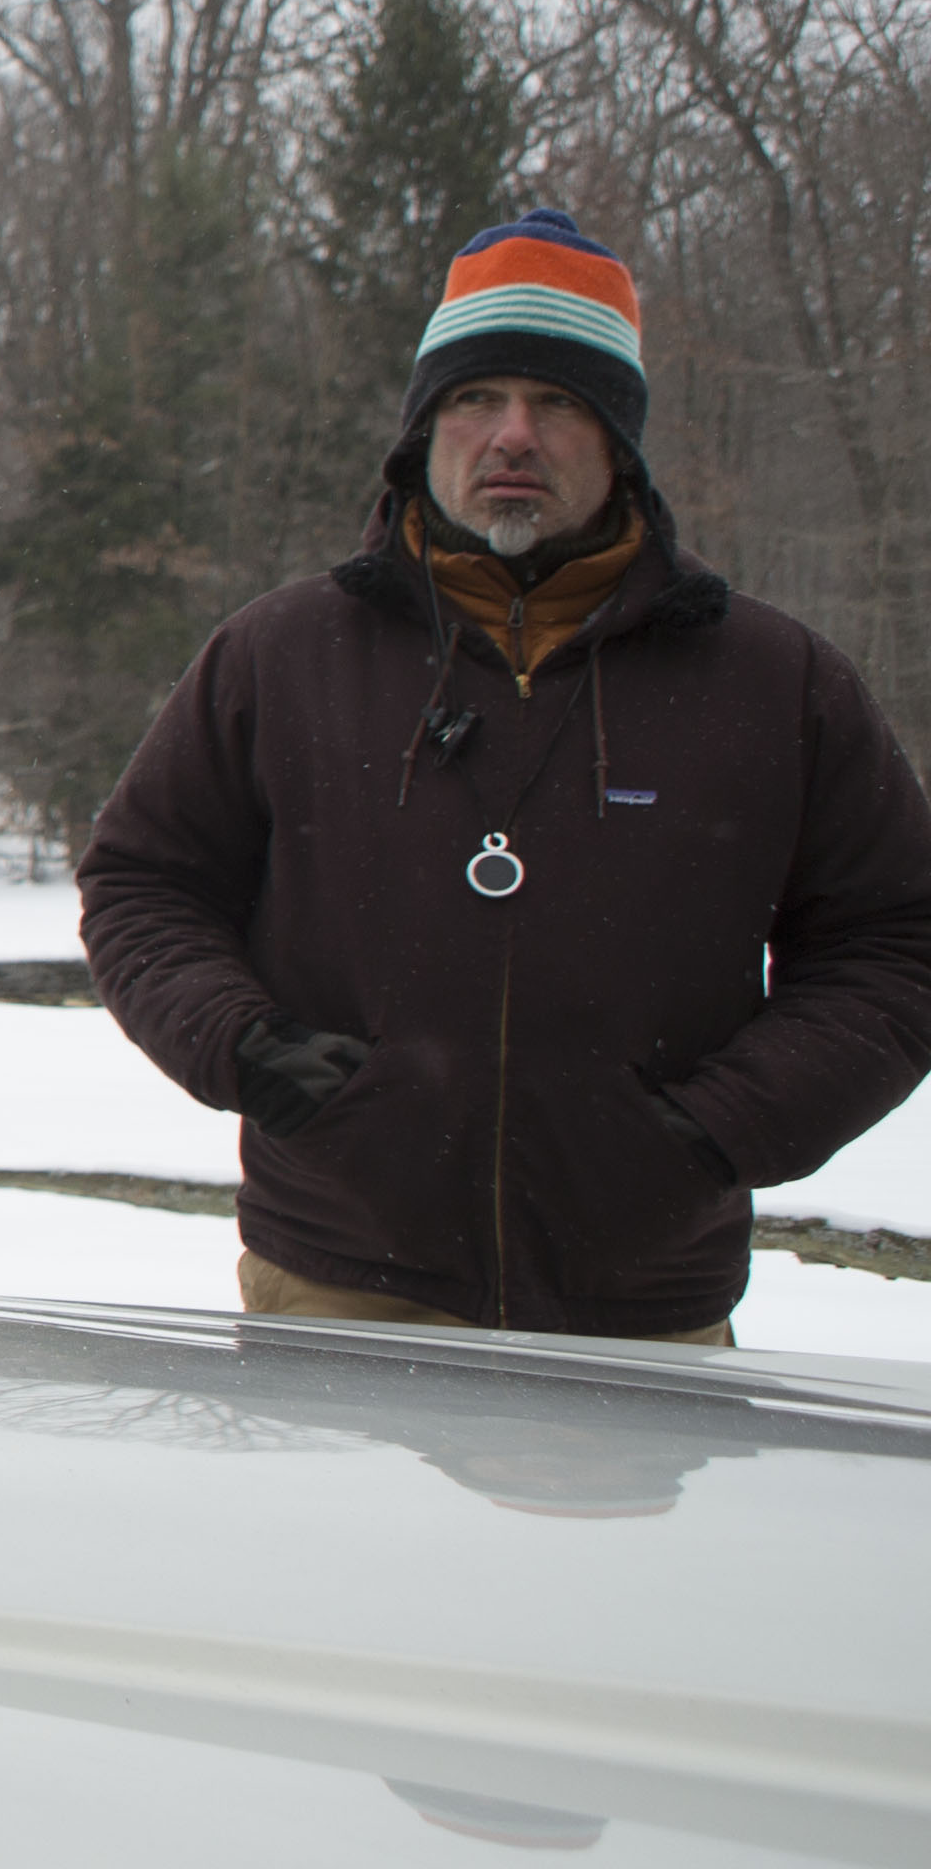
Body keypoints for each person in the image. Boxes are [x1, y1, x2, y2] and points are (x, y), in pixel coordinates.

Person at [82, 208, 931, 1341]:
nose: (513, 436)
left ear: (619, 440)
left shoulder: (772, 681)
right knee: (343, 1532)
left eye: (560, 403)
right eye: (477, 400)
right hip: (338, 1286)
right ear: (424, 431)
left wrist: (717, 1130)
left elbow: (897, 941)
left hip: (642, 1305)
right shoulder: (284, 656)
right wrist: (249, 1048)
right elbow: (146, 882)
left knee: (626, 1533)